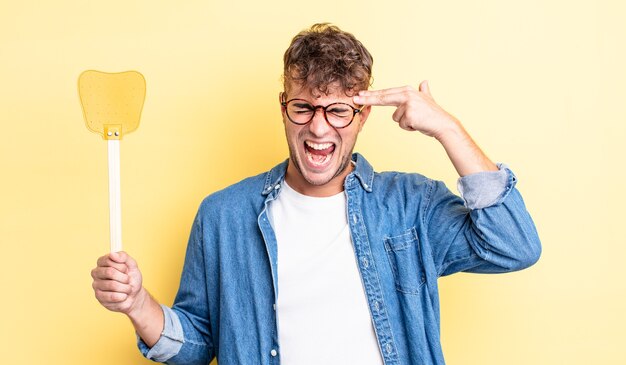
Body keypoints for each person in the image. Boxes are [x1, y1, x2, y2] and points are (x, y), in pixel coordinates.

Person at [91, 23, 541, 365]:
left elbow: (514, 245)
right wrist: (137, 304)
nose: (319, 127)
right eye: (304, 106)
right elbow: (196, 345)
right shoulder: (223, 216)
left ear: (362, 116)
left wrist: (447, 127)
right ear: (284, 108)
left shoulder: (411, 205)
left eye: (339, 110)